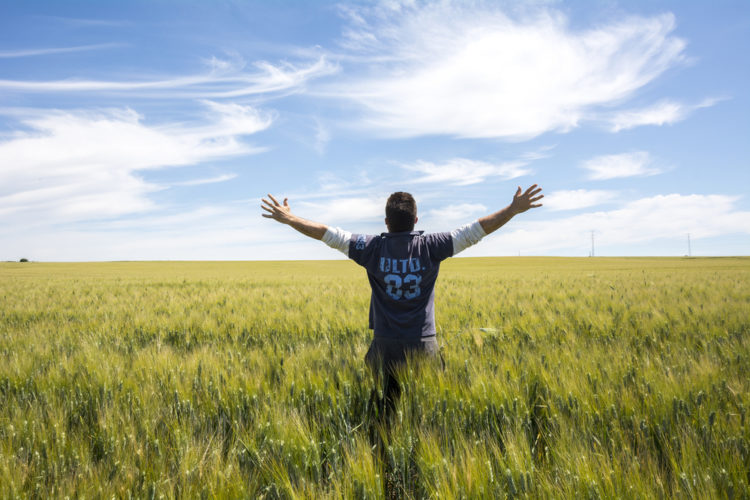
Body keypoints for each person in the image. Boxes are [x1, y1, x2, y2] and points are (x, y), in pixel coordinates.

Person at [260, 185, 543, 422]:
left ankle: (381, 462)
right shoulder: (432, 245)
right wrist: (512, 209)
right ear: (416, 221)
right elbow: (476, 230)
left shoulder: (370, 248)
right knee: (428, 415)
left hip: (385, 346)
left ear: (386, 222)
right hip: (424, 346)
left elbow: (326, 233)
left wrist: (290, 218)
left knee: (381, 416)